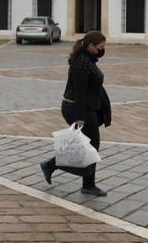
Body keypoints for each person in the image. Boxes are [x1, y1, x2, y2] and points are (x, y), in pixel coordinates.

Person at [40, 30, 111, 197]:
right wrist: (80, 118)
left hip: (85, 107)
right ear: (91, 46)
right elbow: (80, 92)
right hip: (78, 109)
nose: (102, 50)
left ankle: (51, 165)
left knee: (86, 145)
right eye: (100, 47)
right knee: (91, 146)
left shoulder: (89, 59)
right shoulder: (82, 63)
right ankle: (87, 185)